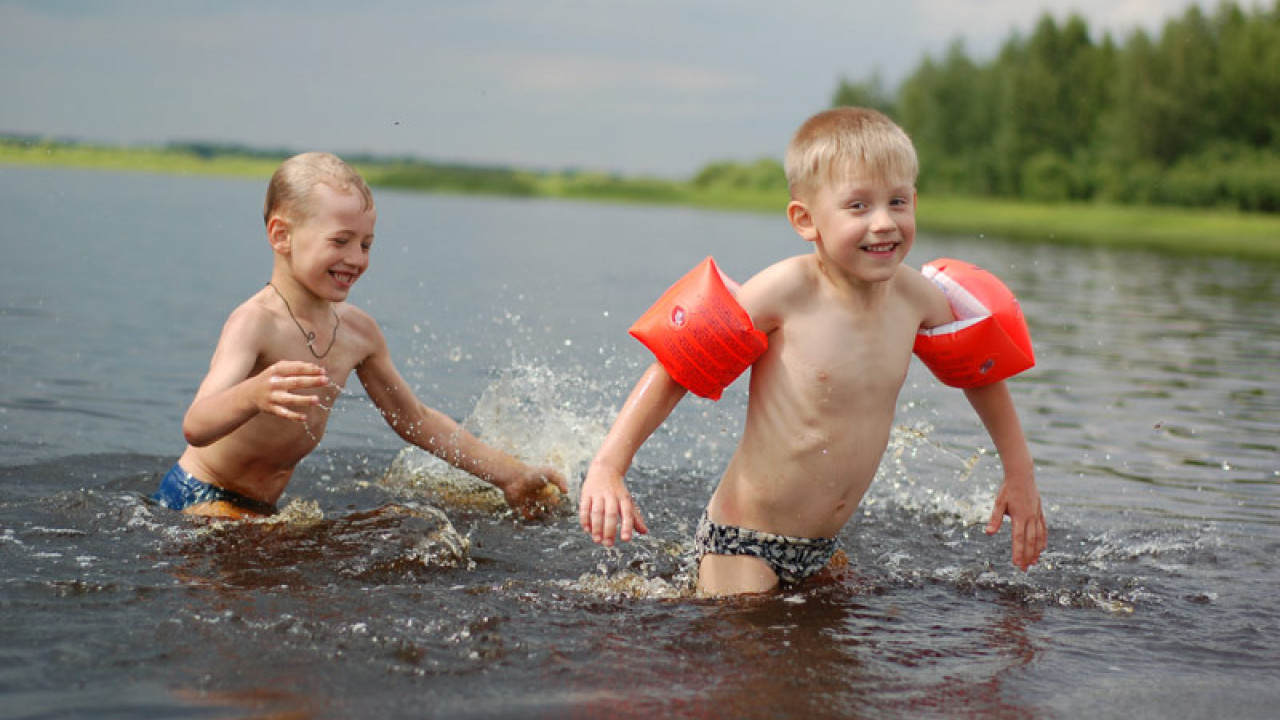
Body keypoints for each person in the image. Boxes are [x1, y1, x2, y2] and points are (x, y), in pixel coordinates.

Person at [578, 108, 1046, 596]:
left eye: (898, 201)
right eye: (858, 206)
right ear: (806, 219)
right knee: (749, 638)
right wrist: (609, 467)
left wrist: (1019, 474)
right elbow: (677, 366)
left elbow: (979, 372)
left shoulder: (917, 299)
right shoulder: (785, 292)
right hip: (743, 542)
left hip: (821, 548)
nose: (884, 223)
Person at [152, 152, 566, 520]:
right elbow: (196, 425)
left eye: (366, 244)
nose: (355, 259)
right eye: (340, 241)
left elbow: (415, 420)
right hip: (199, 496)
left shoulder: (357, 331)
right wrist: (253, 393)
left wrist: (512, 475)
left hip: (260, 509)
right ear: (282, 236)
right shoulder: (256, 321)